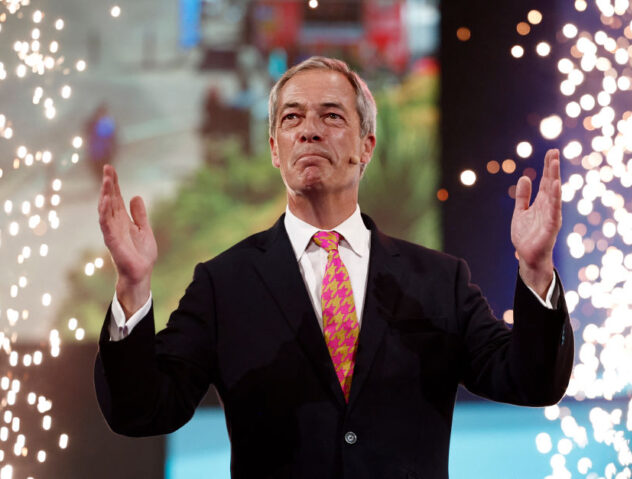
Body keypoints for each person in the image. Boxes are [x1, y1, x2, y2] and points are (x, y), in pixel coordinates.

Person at [95, 57, 573, 478]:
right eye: (292, 118)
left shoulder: (438, 280)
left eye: (331, 116)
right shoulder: (224, 284)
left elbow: (531, 381)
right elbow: (142, 410)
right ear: (275, 149)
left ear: (366, 147)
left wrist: (535, 270)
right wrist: (133, 286)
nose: (309, 129)